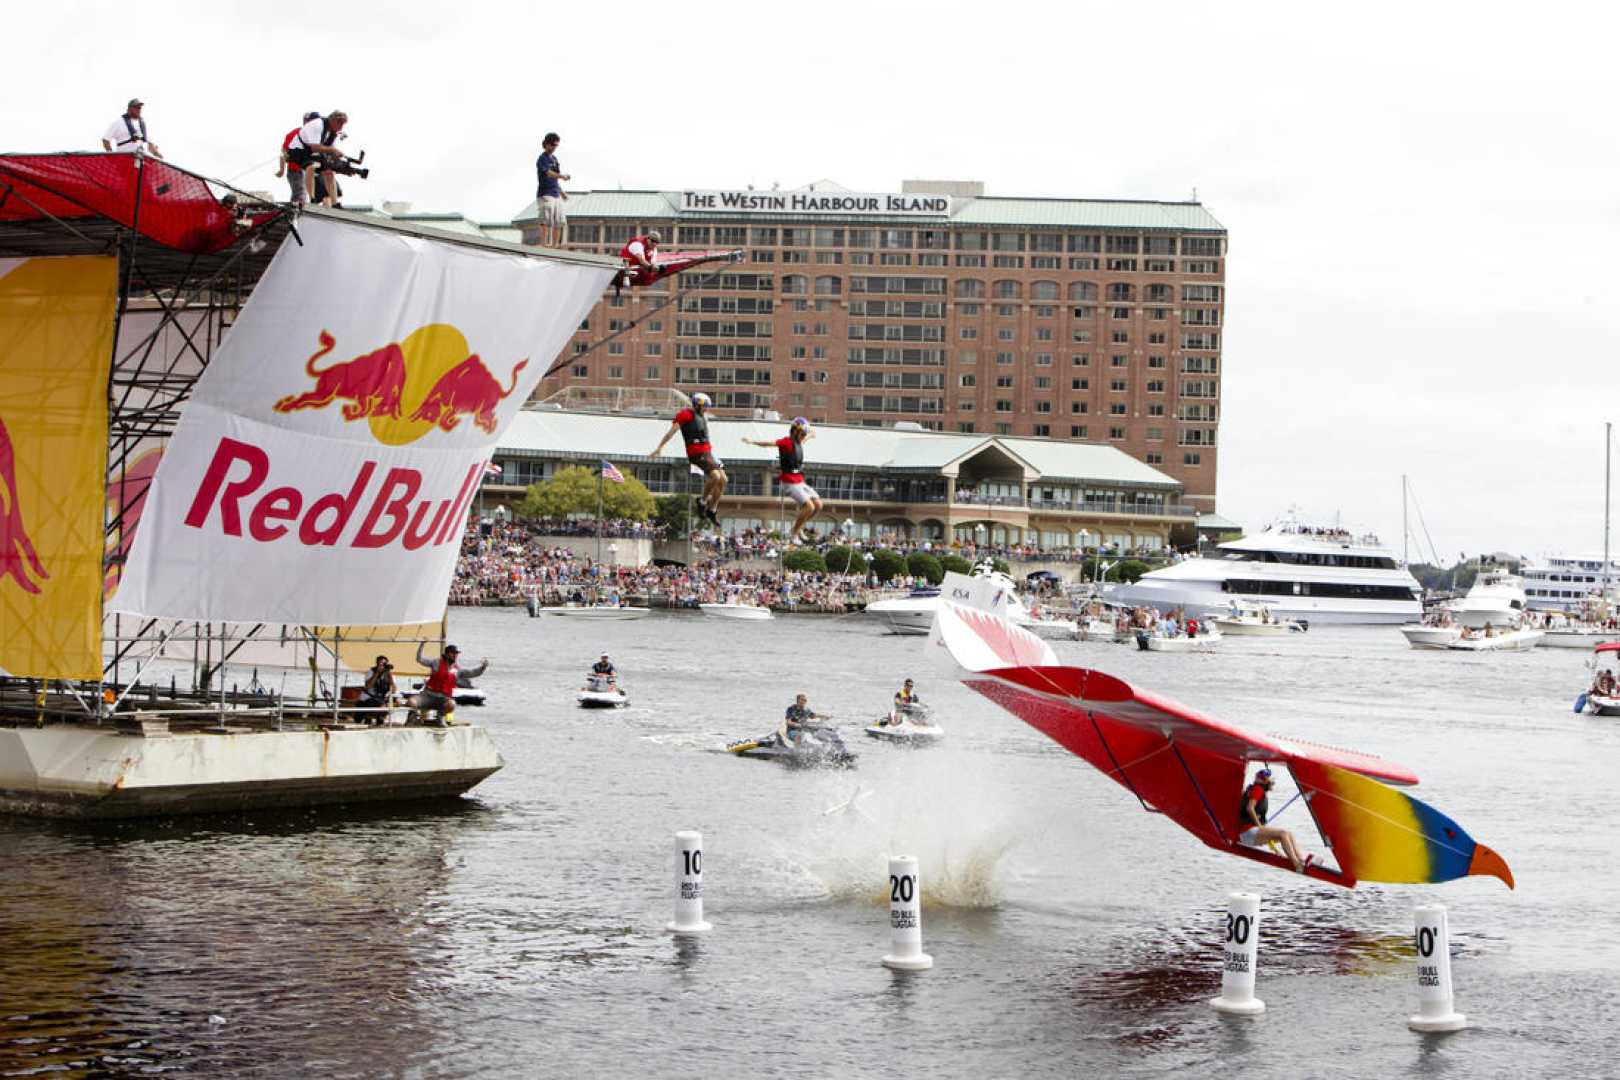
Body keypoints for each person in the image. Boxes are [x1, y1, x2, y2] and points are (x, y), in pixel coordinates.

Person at [652, 392, 726, 526]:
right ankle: (702, 501)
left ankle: (712, 510)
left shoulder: (702, 416)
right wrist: (660, 447)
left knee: (724, 480)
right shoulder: (685, 415)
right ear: (697, 405)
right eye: (705, 407)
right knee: (715, 477)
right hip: (696, 452)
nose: (707, 409)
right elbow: (671, 432)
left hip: (708, 452)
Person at [744, 417, 821, 543]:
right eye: (802, 434)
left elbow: (805, 439)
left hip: (799, 481)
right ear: (795, 431)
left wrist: (811, 435)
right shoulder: (786, 442)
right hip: (789, 482)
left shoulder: (799, 442)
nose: (803, 436)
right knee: (809, 507)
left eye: (804, 435)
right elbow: (769, 443)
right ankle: (794, 533)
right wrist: (752, 441)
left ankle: (799, 526)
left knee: (818, 505)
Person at [1237, 768, 1311, 874]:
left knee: (1289, 834)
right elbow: (1250, 808)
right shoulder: (1258, 789)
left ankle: (1301, 859)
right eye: (1269, 780)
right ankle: (1296, 864)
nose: (1272, 782)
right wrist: (1260, 826)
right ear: (1264, 781)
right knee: (1283, 833)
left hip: (1248, 834)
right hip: (1247, 832)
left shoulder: (1255, 789)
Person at [413, 642, 487, 725]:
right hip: (428, 695)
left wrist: (482, 668)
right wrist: (422, 645)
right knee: (412, 702)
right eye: (453, 653)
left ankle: (440, 717)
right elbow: (419, 659)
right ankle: (413, 717)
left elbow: (472, 673)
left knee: (452, 704)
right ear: (447, 654)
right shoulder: (436, 663)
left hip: (443, 698)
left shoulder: (457, 670)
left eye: (456, 654)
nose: (455, 656)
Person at [286, 110, 349, 207]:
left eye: (343, 124)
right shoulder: (318, 124)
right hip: (298, 150)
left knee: (329, 172)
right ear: (332, 120)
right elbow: (315, 147)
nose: (341, 127)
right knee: (311, 166)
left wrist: (342, 167)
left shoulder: (334, 133)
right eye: (339, 123)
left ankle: (335, 203)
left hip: (312, 151)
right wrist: (333, 151)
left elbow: (330, 152)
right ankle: (312, 199)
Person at [535, 132, 570, 247]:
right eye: (553, 145)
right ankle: (543, 243)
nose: (555, 147)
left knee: (559, 220)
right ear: (547, 144)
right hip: (545, 193)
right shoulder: (542, 158)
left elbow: (555, 177)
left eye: (556, 145)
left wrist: (562, 192)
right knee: (545, 218)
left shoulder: (555, 159)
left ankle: (555, 245)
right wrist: (562, 176)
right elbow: (549, 173)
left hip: (555, 193)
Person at [277, 112, 320, 203]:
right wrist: (281, 170)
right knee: (300, 194)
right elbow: (284, 152)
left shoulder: (318, 133)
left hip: (309, 170)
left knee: (306, 194)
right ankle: (297, 213)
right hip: (296, 170)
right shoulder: (295, 133)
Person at [359, 655, 396, 722]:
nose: (383, 666)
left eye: (385, 664)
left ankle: (381, 716)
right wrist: (377, 673)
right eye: (381, 663)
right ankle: (377, 716)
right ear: (377, 664)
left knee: (397, 703)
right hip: (369, 698)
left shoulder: (388, 674)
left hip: (381, 698)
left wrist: (390, 676)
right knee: (381, 704)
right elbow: (368, 686)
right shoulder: (371, 671)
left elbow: (393, 690)